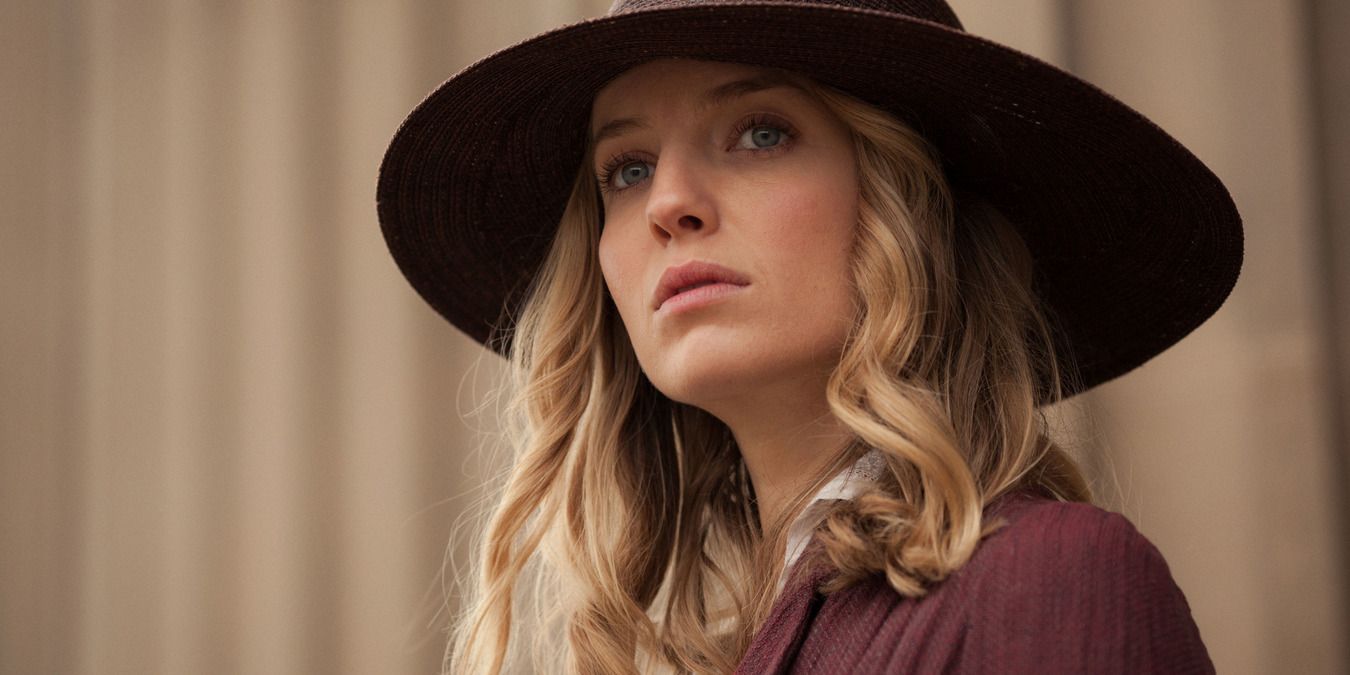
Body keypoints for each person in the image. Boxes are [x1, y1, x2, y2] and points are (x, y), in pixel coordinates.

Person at [376, 1, 1243, 673]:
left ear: (908, 207)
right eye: (627, 169)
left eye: (761, 133)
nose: (670, 201)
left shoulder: (1053, 582)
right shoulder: (705, 648)